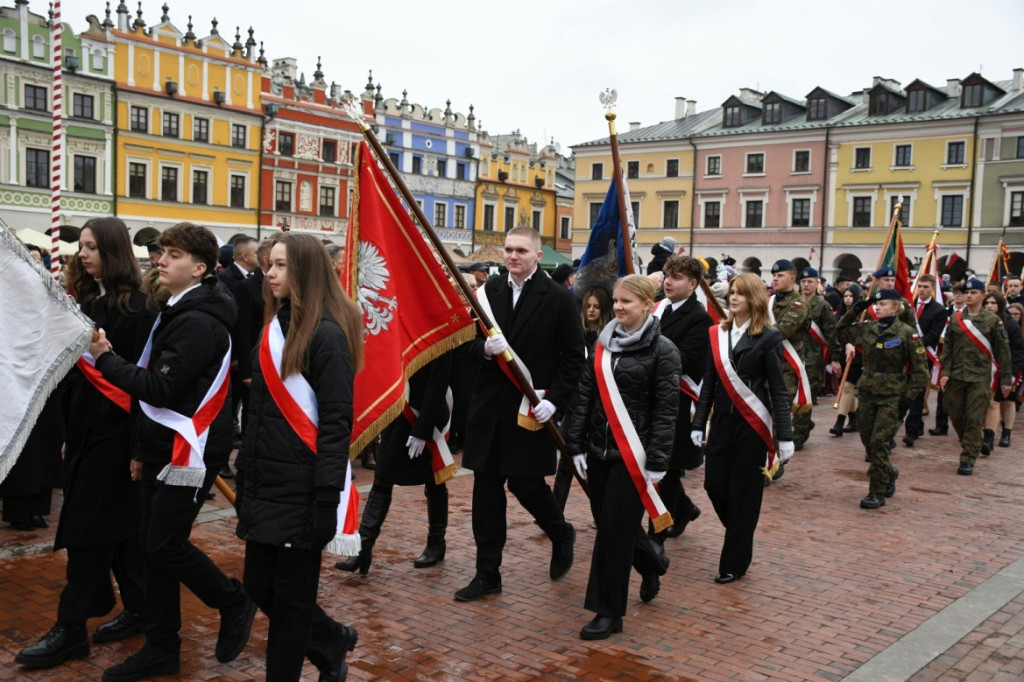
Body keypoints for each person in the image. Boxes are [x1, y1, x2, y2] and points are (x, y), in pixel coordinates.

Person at [88, 222, 256, 681]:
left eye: (173, 254)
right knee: (152, 545)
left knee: (164, 544)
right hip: (166, 445)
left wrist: (105, 358)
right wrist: (143, 449)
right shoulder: (180, 308)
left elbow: (159, 389)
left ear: (200, 268)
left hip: (190, 451)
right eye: (162, 252)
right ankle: (162, 647)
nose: (160, 260)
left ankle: (232, 599)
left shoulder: (199, 319)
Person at [14, 218, 153, 670]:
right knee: (119, 535)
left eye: (92, 247)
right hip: (85, 432)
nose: (83, 254)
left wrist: (138, 448)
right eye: (82, 247)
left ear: (112, 251)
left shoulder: (138, 309)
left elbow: (141, 388)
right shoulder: (88, 302)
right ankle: (141, 608)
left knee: (89, 532)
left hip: (117, 438)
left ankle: (71, 628)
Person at [234, 233, 362, 681]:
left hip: (305, 488)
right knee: (258, 587)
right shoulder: (276, 327)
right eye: (269, 264)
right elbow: (261, 412)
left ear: (306, 270)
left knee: (290, 605)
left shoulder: (326, 335)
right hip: (267, 482)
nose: (269, 273)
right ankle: (330, 641)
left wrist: (326, 497)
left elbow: (335, 423)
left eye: (281, 265)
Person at [454, 226, 584, 603]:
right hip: (488, 410)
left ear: (538, 255)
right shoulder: (487, 294)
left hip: (531, 409)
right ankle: (487, 572)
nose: (512, 256)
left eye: (521, 250)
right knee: (486, 491)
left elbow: (575, 358)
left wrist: (556, 401)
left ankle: (561, 533)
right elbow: (463, 347)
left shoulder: (559, 298)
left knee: (526, 486)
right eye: (509, 250)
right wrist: (484, 352)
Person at [562, 274, 679, 640]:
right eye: (616, 300)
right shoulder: (603, 342)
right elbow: (586, 394)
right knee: (613, 522)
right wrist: (575, 443)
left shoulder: (664, 350)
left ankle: (608, 611)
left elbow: (665, 411)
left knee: (611, 532)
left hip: (635, 457)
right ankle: (651, 562)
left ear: (647, 305)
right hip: (599, 450)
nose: (617, 307)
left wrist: (658, 460)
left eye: (626, 301)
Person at [691, 273, 794, 584]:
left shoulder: (769, 337)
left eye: (741, 294)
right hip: (722, 423)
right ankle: (740, 532)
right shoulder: (717, 334)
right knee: (714, 486)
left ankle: (733, 562)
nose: (733, 298)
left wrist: (785, 435)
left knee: (744, 493)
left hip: (752, 426)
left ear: (756, 299)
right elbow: (710, 381)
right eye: (732, 292)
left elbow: (778, 388)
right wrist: (699, 422)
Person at [335, 351, 456, 575]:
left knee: (435, 480)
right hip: (399, 413)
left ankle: (436, 542)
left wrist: (423, 430)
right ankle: (363, 549)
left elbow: (438, 382)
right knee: (382, 478)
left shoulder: (435, 321)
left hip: (426, 416)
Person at [837, 289, 927, 509]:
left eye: (883, 304)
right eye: (876, 304)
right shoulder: (868, 328)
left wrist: (908, 398)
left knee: (880, 443)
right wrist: (854, 310)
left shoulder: (907, 333)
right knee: (868, 440)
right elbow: (840, 331)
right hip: (867, 393)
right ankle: (888, 471)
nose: (877, 307)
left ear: (895, 308)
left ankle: (876, 491)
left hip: (892, 395)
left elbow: (920, 371)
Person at [649, 255, 712, 544]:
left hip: (676, 401)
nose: (668, 282)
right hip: (652, 396)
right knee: (663, 467)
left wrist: (647, 356)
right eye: (667, 276)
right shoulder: (660, 308)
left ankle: (660, 526)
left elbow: (687, 361)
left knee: (669, 467)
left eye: (676, 277)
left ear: (693, 283)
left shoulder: (699, 317)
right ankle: (683, 509)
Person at [940, 278, 1013, 475]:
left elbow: (1003, 352)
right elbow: (948, 348)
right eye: (966, 293)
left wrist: (1006, 380)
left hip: (980, 378)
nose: (969, 296)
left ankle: (968, 457)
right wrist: (945, 372)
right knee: (955, 415)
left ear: (983, 295)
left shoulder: (992, 321)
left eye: (973, 293)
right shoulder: (956, 319)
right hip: (956, 376)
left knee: (974, 418)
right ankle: (974, 442)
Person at [553, 285, 613, 511]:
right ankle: (556, 509)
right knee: (567, 460)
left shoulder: (610, 336)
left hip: (601, 406)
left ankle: (601, 513)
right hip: (575, 405)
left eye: (597, 307)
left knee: (598, 465)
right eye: (588, 306)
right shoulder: (575, 333)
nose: (591, 311)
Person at [769, 260, 813, 453]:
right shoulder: (769, 301)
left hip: (786, 367)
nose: (775, 279)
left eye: (780, 275)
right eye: (774, 275)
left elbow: (781, 331)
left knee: (779, 417)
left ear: (792, 278)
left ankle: (774, 462)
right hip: (767, 364)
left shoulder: (799, 304)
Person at [903, 275, 947, 446]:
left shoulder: (938, 310)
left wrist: (914, 348)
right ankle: (916, 425)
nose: (922, 289)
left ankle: (911, 431)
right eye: (919, 286)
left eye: (926, 287)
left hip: (923, 357)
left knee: (917, 394)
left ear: (932, 289)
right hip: (904, 355)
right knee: (901, 392)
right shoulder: (908, 306)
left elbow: (933, 336)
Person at [980, 292, 1024, 449]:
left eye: (993, 303)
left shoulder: (1010, 324)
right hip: (982, 370)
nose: (990, 306)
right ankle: (985, 434)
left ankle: (1001, 433)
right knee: (985, 403)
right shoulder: (979, 321)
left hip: (1002, 370)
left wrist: (1011, 374)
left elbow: (1018, 351)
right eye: (987, 303)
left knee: (1001, 402)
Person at [798, 267, 843, 409]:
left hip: (813, 358)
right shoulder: (794, 303)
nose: (806, 285)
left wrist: (835, 358)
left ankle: (802, 428)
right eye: (803, 281)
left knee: (807, 398)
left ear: (816, 283)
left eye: (809, 281)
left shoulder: (823, 305)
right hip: (794, 356)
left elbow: (831, 332)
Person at [929, 283, 966, 436]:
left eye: (961, 293)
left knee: (962, 394)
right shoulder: (944, 313)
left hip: (963, 357)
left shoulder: (970, 314)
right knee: (942, 392)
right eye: (956, 292)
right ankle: (941, 425)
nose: (958, 296)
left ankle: (963, 427)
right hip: (945, 355)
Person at [829, 284, 863, 436]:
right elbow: (835, 335)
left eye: (851, 296)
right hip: (843, 355)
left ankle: (839, 422)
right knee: (847, 389)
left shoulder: (862, 314)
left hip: (857, 356)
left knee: (847, 387)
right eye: (846, 296)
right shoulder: (840, 314)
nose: (848, 299)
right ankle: (854, 418)